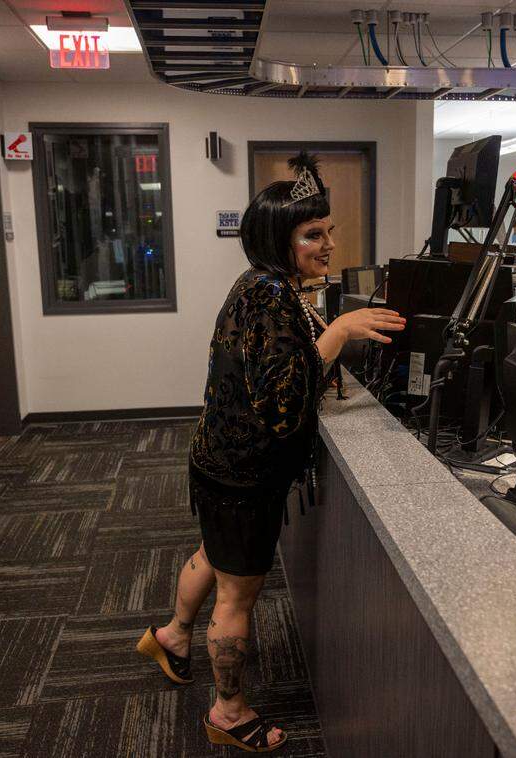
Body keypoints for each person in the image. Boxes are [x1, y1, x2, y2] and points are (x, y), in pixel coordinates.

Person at [136, 152, 404, 752]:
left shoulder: (267, 284)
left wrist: (328, 335)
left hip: (217, 460)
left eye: (328, 230)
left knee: (214, 554)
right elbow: (282, 409)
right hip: (243, 474)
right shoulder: (271, 297)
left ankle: (173, 636)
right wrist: (336, 334)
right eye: (313, 234)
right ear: (276, 240)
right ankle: (227, 712)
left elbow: (275, 373)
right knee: (237, 592)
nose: (328, 243)